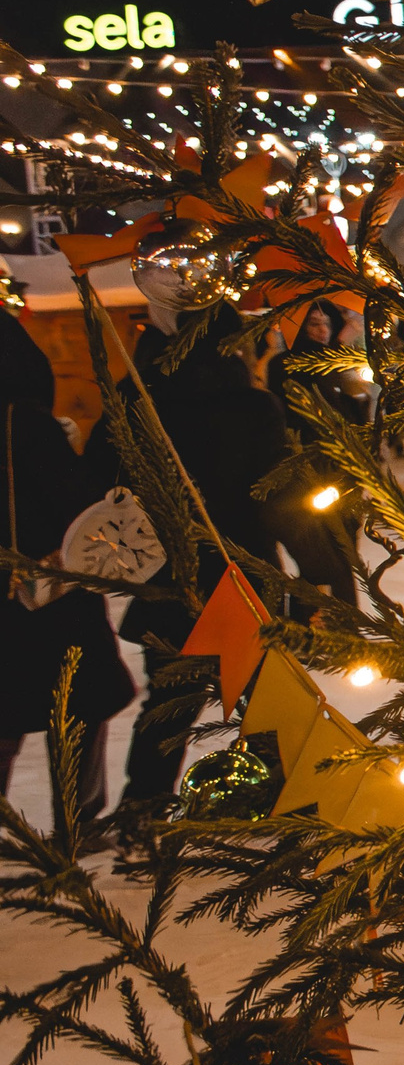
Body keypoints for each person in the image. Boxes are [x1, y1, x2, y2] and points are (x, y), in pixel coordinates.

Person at [87, 285, 298, 819]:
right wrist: (323, 574)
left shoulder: (134, 402)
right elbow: (278, 499)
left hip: (170, 582)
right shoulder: (253, 407)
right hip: (242, 578)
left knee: (167, 706)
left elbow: (96, 485)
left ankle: (143, 813)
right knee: (268, 701)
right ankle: (286, 806)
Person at [0, 314, 134, 834]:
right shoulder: (27, 425)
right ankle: (76, 829)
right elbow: (76, 506)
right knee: (75, 712)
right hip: (50, 602)